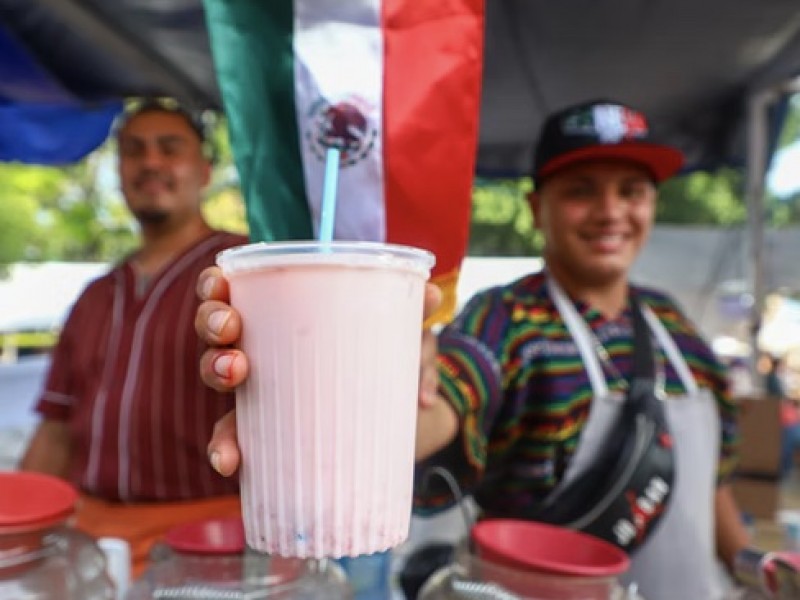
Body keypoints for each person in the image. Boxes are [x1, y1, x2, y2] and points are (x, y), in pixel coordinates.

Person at [195, 100, 751, 600]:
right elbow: (443, 406)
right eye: (581, 190)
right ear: (536, 207)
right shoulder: (505, 318)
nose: (610, 211)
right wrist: (348, 401)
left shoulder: (675, 328)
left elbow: (712, 484)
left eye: (631, 191)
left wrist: (754, 568)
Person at [20, 99, 247, 576]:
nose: (151, 163)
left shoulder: (239, 270)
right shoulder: (96, 296)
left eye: (170, 148)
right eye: (134, 150)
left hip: (212, 544)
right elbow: (56, 428)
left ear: (205, 171)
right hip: (90, 544)